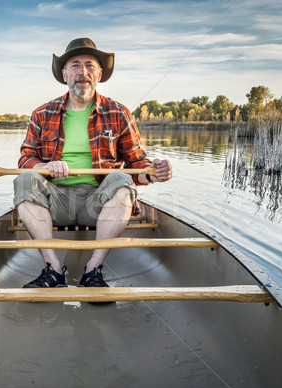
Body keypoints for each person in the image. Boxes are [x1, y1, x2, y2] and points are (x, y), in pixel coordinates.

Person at [13, 38, 172, 289]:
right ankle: (53, 269)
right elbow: (25, 158)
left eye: (89, 65)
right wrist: (42, 166)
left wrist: (153, 172)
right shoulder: (42, 113)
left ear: (99, 73)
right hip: (55, 201)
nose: (82, 71)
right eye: (75, 65)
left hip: (98, 201)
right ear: (65, 73)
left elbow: (135, 163)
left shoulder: (118, 112)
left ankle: (93, 269)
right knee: (24, 180)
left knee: (120, 178)